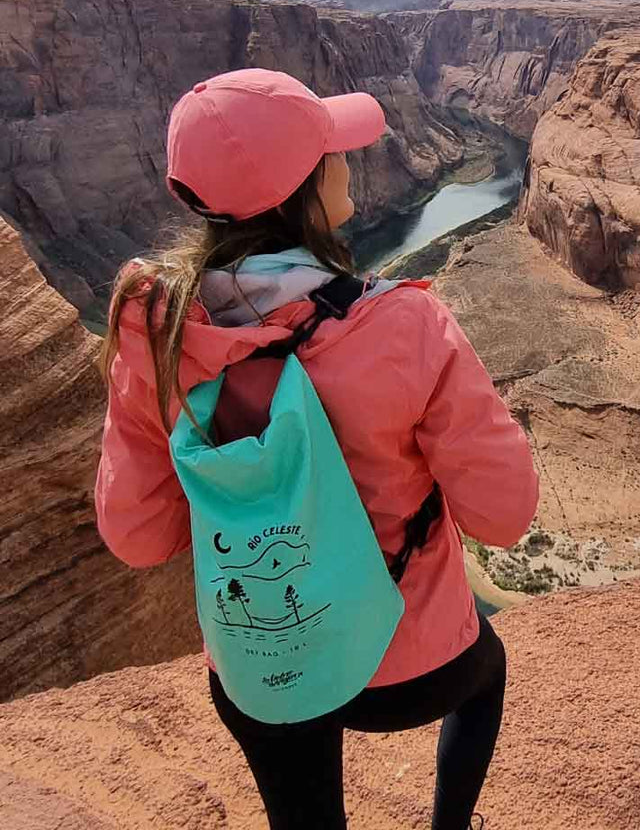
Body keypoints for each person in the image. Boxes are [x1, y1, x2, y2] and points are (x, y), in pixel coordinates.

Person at [95, 68, 539, 830]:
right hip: (408, 666)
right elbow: (504, 517)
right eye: (334, 152)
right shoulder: (406, 328)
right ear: (306, 185)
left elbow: (137, 537)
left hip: (263, 665)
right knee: (486, 672)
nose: (349, 163)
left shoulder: (154, 337)